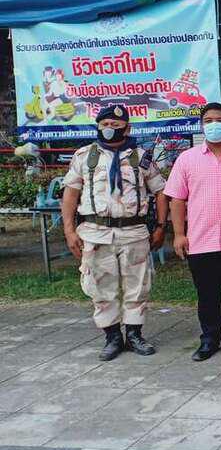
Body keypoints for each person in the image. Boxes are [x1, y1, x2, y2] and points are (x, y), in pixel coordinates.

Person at [61, 105, 168, 361]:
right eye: (105, 124)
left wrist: (161, 226)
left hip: (134, 232)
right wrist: (69, 230)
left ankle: (134, 335)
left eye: (116, 125)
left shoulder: (141, 157)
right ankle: (112, 337)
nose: (110, 129)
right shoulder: (84, 156)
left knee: (138, 286)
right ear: (98, 126)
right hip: (95, 233)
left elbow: (161, 191)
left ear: (127, 128)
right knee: (100, 287)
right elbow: (71, 194)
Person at [164, 103, 221, 362]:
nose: (214, 124)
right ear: (201, 125)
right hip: (200, 240)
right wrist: (179, 234)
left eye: (220, 120)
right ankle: (209, 339)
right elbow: (177, 200)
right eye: (208, 120)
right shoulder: (187, 159)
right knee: (207, 294)